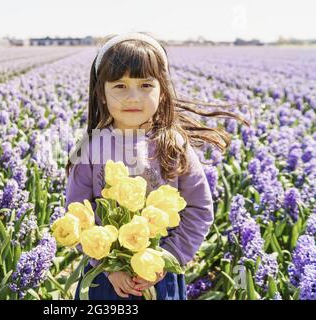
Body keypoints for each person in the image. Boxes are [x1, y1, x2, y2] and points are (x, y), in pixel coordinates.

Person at [65, 32, 250, 300]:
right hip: (106, 278)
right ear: (101, 94)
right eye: (119, 86)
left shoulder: (174, 146)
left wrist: (167, 257)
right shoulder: (90, 150)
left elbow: (199, 208)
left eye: (145, 85)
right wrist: (107, 266)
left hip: (160, 274)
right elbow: (77, 216)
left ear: (162, 92)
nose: (132, 97)